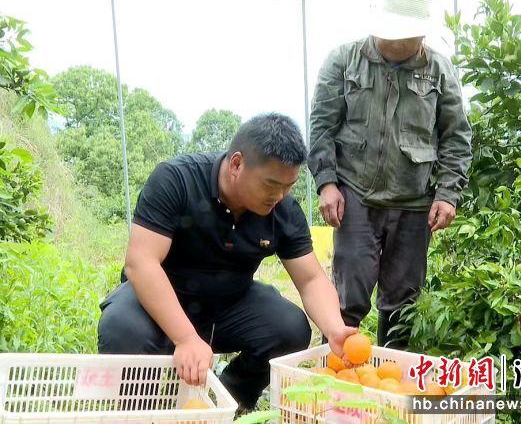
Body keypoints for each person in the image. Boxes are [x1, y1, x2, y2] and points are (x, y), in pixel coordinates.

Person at [98, 113, 357, 411]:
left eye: (289, 186)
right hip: (159, 299)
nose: (279, 195)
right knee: (122, 328)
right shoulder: (176, 180)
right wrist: (185, 338)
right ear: (236, 164)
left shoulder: (282, 208)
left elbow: (310, 279)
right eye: (271, 184)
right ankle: (144, 411)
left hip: (228, 304)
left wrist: (336, 328)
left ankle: (230, 399)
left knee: (289, 327)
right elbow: (141, 263)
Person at [308, 0, 472, 348]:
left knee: (401, 304)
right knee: (348, 298)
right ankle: (330, 376)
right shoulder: (344, 60)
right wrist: (326, 183)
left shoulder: (439, 71)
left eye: (406, 37)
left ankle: (388, 380)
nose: (395, 43)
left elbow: (456, 137)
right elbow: (321, 126)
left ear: (421, 34)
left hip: (414, 202)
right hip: (356, 195)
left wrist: (448, 194)